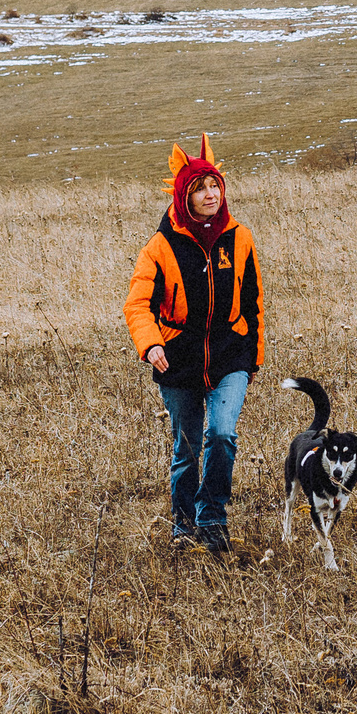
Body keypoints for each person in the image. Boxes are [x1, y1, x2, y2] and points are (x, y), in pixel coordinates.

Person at [124, 135, 265, 553]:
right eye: (200, 189)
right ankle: (184, 524)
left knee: (221, 434)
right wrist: (151, 345)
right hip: (178, 362)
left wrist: (252, 357)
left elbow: (253, 300)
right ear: (184, 196)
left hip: (229, 356)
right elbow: (137, 303)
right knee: (186, 447)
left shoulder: (240, 239)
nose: (210, 195)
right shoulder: (160, 246)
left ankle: (213, 519)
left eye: (215, 186)